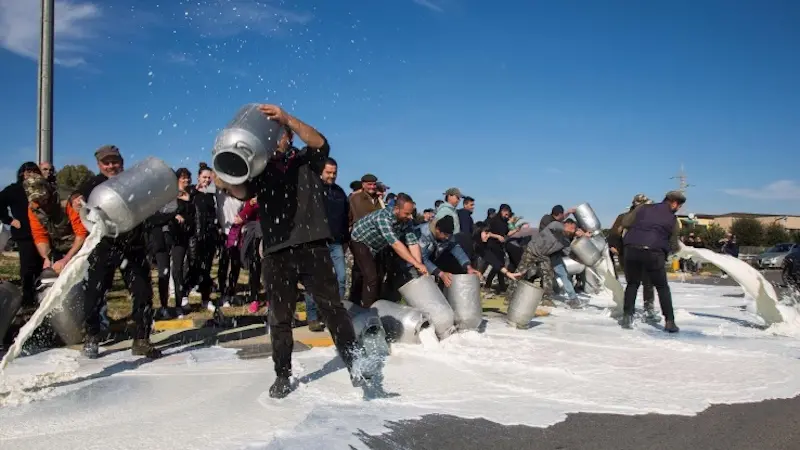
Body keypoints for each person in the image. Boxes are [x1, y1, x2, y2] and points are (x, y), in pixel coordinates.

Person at [215, 104, 368, 398]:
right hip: (276, 251)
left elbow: (320, 141)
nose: (274, 140)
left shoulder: (305, 160)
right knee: (280, 316)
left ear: (288, 137)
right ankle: (282, 374)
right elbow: (243, 191)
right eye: (269, 136)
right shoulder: (259, 168)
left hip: (313, 245)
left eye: (278, 134)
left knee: (333, 310)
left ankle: (354, 363)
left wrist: (286, 118)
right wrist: (225, 179)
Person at [73, 145, 161, 359]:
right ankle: (92, 337)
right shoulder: (92, 184)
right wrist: (75, 200)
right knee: (94, 293)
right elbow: (77, 197)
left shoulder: (131, 181)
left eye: (115, 161)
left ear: (122, 161)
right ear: (99, 165)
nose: (111, 166)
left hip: (134, 247)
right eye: (107, 162)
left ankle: (141, 339)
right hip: (103, 247)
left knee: (143, 293)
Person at [620, 190, 685, 332]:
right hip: (653, 253)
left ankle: (627, 317)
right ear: (674, 203)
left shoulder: (643, 208)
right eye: (679, 206)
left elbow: (625, 222)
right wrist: (677, 249)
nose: (678, 209)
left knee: (632, 284)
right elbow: (673, 245)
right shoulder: (673, 220)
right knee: (662, 287)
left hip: (631, 249)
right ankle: (670, 322)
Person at [350, 193, 428, 307]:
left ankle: (369, 303)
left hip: (377, 246)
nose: (410, 216)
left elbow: (413, 243)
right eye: (406, 213)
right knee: (371, 277)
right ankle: (367, 312)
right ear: (396, 209)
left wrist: (420, 265)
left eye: (411, 213)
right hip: (360, 240)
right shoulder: (383, 217)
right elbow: (395, 244)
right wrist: (415, 263)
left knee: (379, 275)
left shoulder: (407, 221)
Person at [304, 157, 350, 332]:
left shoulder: (339, 192)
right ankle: (313, 316)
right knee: (315, 281)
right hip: (315, 243)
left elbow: (345, 216)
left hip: (336, 242)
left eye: (334, 173)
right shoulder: (311, 190)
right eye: (328, 172)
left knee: (340, 278)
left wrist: (345, 238)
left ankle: (332, 314)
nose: (332, 176)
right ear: (320, 172)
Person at [607, 194, 660, 322]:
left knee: (646, 282)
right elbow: (614, 234)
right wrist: (616, 247)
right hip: (628, 254)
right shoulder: (625, 218)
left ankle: (646, 309)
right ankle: (630, 312)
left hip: (645, 253)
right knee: (635, 283)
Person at [514, 218, 587, 308]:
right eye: (572, 228)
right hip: (532, 250)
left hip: (544, 256)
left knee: (548, 276)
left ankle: (547, 299)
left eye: (574, 229)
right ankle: (510, 295)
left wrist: (585, 260)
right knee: (520, 273)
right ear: (567, 224)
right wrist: (576, 231)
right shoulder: (555, 225)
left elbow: (570, 254)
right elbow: (564, 229)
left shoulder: (566, 241)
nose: (572, 231)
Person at [24, 174, 87, 274]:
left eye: (43, 198)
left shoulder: (68, 199)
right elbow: (39, 235)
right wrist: (46, 258)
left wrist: (66, 259)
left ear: (49, 189)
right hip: (58, 248)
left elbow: (81, 233)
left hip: (81, 248)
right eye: (37, 200)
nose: (41, 203)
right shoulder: (33, 207)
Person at [0, 162, 44, 306]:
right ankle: (27, 297)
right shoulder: (14, 189)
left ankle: (40, 296)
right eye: (28, 171)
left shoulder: (41, 188)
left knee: (41, 265)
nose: (31, 174)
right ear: (22, 174)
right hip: (24, 233)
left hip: (42, 233)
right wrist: (9, 220)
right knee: (27, 266)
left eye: (34, 171)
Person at [415, 216, 481, 287]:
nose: (447, 238)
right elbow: (422, 258)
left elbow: (456, 248)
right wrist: (441, 273)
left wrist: (468, 267)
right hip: (414, 262)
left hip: (432, 261)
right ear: (437, 229)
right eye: (445, 235)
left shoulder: (448, 236)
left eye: (449, 235)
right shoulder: (423, 234)